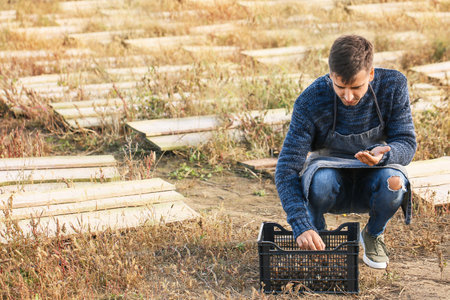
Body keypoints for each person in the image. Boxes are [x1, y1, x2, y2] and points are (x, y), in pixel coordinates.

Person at [275, 35, 417, 269]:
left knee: (395, 182)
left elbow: (406, 142)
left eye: (356, 87)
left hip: (374, 173)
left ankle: (373, 233)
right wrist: (301, 224)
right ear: (330, 75)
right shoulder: (310, 101)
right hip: (328, 177)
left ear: (371, 74)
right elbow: (287, 168)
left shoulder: (393, 85)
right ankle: (317, 231)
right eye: (340, 87)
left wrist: (386, 154)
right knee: (320, 181)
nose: (348, 96)